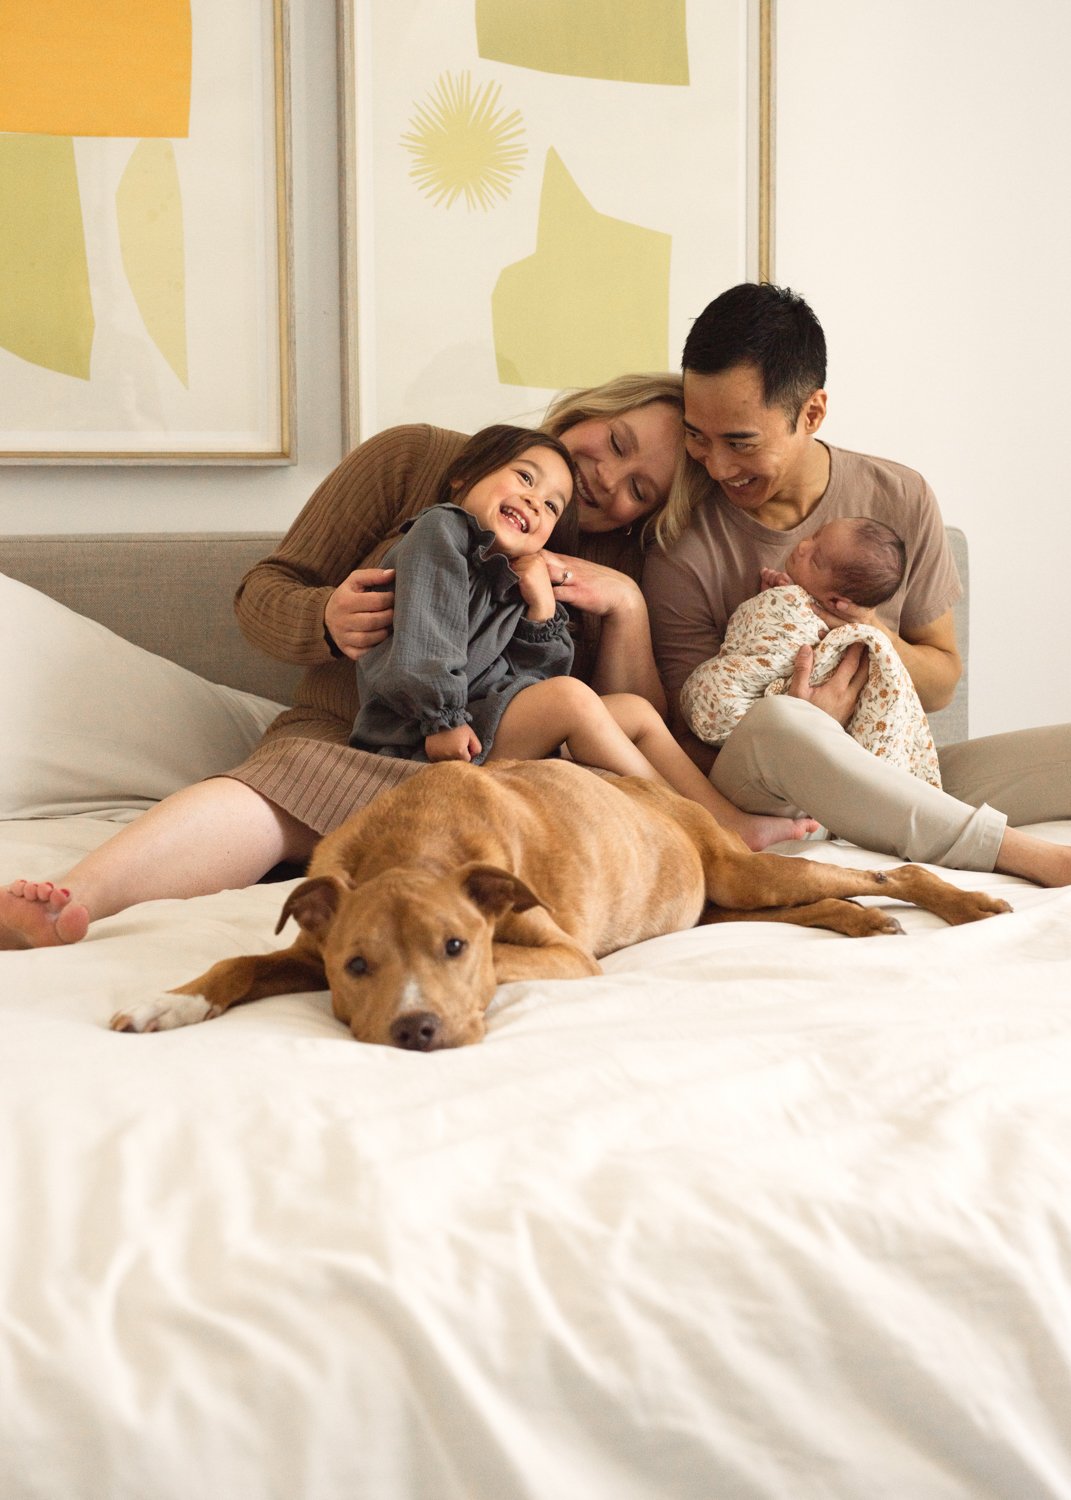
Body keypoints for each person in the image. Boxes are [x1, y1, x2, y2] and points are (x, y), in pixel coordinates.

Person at [1, 375, 814, 951]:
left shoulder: (595, 553)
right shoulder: (420, 463)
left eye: (640, 487)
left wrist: (623, 606)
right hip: (349, 737)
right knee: (261, 797)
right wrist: (323, 616)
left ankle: (717, 847)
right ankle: (73, 899)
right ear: (587, 408)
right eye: (614, 443)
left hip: (500, 772)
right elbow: (263, 593)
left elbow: (624, 719)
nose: (607, 479)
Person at [643, 281, 1071, 886]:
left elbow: (942, 679)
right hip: (770, 785)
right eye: (697, 437)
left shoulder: (899, 496)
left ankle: (913, 817)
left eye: (740, 442)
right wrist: (810, 727)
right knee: (784, 723)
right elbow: (687, 734)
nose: (716, 466)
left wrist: (864, 631)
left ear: (811, 413)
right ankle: (1013, 854)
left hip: (886, 760)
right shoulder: (681, 546)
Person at [349, 423, 761, 823]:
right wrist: (442, 719)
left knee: (634, 712)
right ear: (463, 476)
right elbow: (427, 635)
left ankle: (727, 820)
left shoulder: (510, 576)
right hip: (417, 734)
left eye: (550, 506)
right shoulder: (441, 529)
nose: (533, 501)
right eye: (525, 478)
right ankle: (690, 825)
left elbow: (531, 683)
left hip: (478, 722)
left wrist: (540, 613)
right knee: (570, 699)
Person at [680, 515, 942, 787]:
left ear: (838, 602)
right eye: (816, 535)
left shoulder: (835, 628)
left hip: (767, 728)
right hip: (770, 741)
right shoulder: (790, 598)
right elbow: (765, 639)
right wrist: (773, 602)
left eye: (816, 560)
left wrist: (775, 605)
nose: (804, 546)